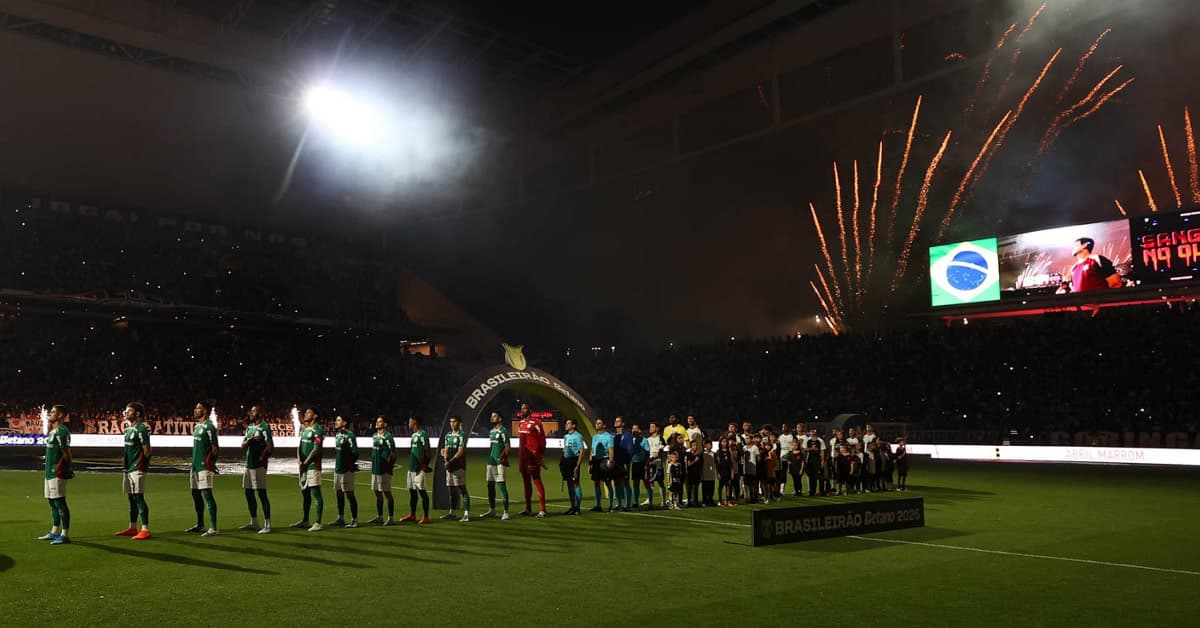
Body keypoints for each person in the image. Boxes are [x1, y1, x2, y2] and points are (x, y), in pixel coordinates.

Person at [116, 402, 152, 541]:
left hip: (137, 468)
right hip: (128, 468)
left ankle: (145, 529)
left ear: (137, 414)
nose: (126, 413)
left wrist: (142, 466)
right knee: (131, 498)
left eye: (129, 411)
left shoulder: (141, 428)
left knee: (138, 497)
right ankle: (132, 527)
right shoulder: (128, 428)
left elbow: (147, 451)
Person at [38, 405, 73, 544]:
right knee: (52, 502)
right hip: (49, 472)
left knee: (60, 502)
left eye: (53, 412)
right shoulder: (53, 431)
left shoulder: (62, 432)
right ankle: (54, 531)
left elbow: (67, 454)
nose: (50, 414)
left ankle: (65, 534)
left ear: (60, 415)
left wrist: (65, 470)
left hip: (56, 472)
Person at [186, 401, 220, 537]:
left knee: (207, 495)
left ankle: (214, 528)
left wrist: (210, 464)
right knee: (195, 494)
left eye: (198, 408)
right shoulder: (197, 427)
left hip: (204, 467)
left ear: (205, 411)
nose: (195, 410)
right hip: (194, 467)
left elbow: (215, 449)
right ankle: (200, 524)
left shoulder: (209, 427)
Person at [240, 405, 273, 534]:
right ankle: (254, 522)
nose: (251, 413)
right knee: (248, 493)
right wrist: (249, 442)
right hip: (248, 465)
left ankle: (268, 524)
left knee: (261, 494)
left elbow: (269, 447)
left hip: (258, 466)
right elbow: (242, 445)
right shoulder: (249, 427)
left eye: (253, 411)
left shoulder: (265, 427)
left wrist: (262, 452)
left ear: (260, 413)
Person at [291, 408, 325, 532]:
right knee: (305, 494)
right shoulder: (305, 429)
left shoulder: (318, 430)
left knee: (316, 493)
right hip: (303, 466)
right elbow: (299, 445)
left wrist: (306, 463)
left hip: (312, 466)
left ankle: (318, 522)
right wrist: (299, 459)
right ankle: (305, 520)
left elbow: (316, 449)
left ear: (315, 416)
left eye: (309, 412)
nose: (305, 414)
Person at [516, 403, 547, 518]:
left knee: (537, 480)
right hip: (522, 457)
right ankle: (528, 508)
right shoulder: (520, 423)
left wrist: (540, 455)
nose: (522, 410)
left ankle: (543, 509)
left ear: (530, 410)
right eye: (522, 408)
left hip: (533, 457)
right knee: (526, 483)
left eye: (525, 408)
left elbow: (542, 440)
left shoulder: (537, 423)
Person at [400, 415, 432, 524]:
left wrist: (424, 466)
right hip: (411, 468)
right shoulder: (414, 435)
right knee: (412, 492)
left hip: (419, 469)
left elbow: (428, 451)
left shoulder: (422, 434)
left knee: (422, 493)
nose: (408, 424)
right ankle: (412, 515)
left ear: (414, 422)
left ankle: (426, 517)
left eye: (409, 422)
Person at [482, 410, 511, 520]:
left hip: (499, 463)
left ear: (500, 419)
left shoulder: (503, 431)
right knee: (490, 486)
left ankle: (506, 512)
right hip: (491, 462)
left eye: (494, 416)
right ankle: (492, 510)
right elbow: (491, 447)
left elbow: (507, 447)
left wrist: (503, 458)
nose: (492, 418)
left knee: (501, 486)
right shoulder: (491, 431)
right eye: (491, 416)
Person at [441, 415, 471, 522]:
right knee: (451, 490)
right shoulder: (448, 435)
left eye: (454, 421)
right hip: (449, 467)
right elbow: (446, 449)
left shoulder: (462, 435)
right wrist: (445, 460)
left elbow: (460, 451)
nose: (452, 424)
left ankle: (466, 514)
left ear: (459, 423)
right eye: (451, 422)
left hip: (458, 466)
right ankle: (452, 512)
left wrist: (450, 462)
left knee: (462, 490)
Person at [332, 415, 359, 528]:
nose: (336, 422)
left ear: (345, 422)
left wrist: (350, 465)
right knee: (339, 494)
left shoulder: (350, 435)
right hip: (337, 470)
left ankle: (354, 520)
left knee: (350, 495)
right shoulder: (337, 435)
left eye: (338, 420)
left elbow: (355, 453)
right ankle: (341, 518)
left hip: (346, 471)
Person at [368, 416, 397, 525]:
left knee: (387, 493)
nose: (377, 423)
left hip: (384, 470)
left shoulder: (388, 437)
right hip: (375, 469)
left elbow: (393, 453)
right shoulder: (374, 436)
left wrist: (389, 465)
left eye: (380, 421)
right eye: (377, 421)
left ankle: (390, 518)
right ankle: (379, 516)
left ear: (385, 424)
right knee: (377, 492)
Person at [560, 417, 587, 515]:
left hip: (574, 461)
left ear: (574, 425)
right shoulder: (566, 436)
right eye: (566, 423)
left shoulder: (578, 436)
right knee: (569, 484)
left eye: (568, 423)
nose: (566, 425)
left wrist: (577, 465)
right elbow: (565, 450)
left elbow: (581, 451)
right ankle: (572, 506)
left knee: (576, 483)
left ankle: (577, 508)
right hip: (566, 462)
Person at [590, 418, 615, 513]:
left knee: (608, 483)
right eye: (596, 423)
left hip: (605, 461)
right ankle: (598, 505)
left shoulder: (608, 437)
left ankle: (611, 505)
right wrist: (590, 463)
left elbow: (611, 450)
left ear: (604, 425)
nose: (597, 424)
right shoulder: (594, 437)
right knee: (596, 483)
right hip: (596, 461)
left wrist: (611, 461)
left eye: (599, 423)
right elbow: (592, 451)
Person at [641, 422, 665, 507]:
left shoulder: (660, 438)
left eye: (652, 426)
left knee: (660, 481)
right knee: (650, 481)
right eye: (650, 426)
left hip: (657, 461)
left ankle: (663, 501)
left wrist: (658, 453)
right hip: (650, 462)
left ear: (657, 428)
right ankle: (650, 501)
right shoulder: (647, 439)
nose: (650, 428)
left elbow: (662, 448)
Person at [611, 416, 633, 511]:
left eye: (618, 421)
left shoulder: (627, 435)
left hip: (624, 462)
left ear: (623, 423)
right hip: (615, 462)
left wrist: (626, 462)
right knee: (616, 482)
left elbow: (630, 450)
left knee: (625, 482)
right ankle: (619, 503)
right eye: (615, 421)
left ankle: (627, 504)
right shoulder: (612, 435)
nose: (616, 422)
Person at [629, 423, 647, 510]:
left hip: (642, 463)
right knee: (635, 484)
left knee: (646, 482)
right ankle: (636, 502)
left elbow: (647, 452)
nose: (633, 431)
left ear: (640, 431)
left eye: (635, 429)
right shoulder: (631, 440)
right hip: (634, 463)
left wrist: (647, 463)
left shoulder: (644, 440)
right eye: (633, 429)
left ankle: (650, 501)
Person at [715, 436, 734, 506]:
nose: (725, 443)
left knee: (728, 486)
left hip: (728, 471)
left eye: (726, 442)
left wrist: (732, 472)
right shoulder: (718, 452)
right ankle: (720, 500)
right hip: (721, 472)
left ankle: (728, 500)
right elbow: (717, 464)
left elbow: (731, 463)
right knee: (720, 486)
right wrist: (718, 473)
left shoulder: (729, 452)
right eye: (723, 442)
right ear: (720, 443)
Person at [777, 423, 795, 496]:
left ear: (788, 428)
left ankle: (796, 489)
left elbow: (794, 446)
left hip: (791, 456)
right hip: (782, 457)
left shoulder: (792, 436)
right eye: (782, 426)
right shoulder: (780, 437)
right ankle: (782, 490)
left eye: (785, 426)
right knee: (783, 473)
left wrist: (790, 454)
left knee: (794, 473)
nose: (783, 428)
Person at [684, 442, 702, 507]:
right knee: (690, 488)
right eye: (694, 445)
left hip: (697, 473)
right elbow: (688, 464)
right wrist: (695, 460)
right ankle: (689, 502)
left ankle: (696, 501)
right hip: (690, 474)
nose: (695, 446)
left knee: (696, 488)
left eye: (696, 445)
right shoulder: (688, 454)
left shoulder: (699, 455)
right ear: (691, 446)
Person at [700, 440, 717, 507]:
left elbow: (715, 463)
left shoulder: (713, 454)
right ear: (705, 446)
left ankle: (710, 500)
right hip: (705, 473)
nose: (710, 446)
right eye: (708, 444)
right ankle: (704, 501)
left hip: (711, 474)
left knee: (711, 488)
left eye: (711, 444)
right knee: (704, 488)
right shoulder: (702, 454)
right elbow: (701, 465)